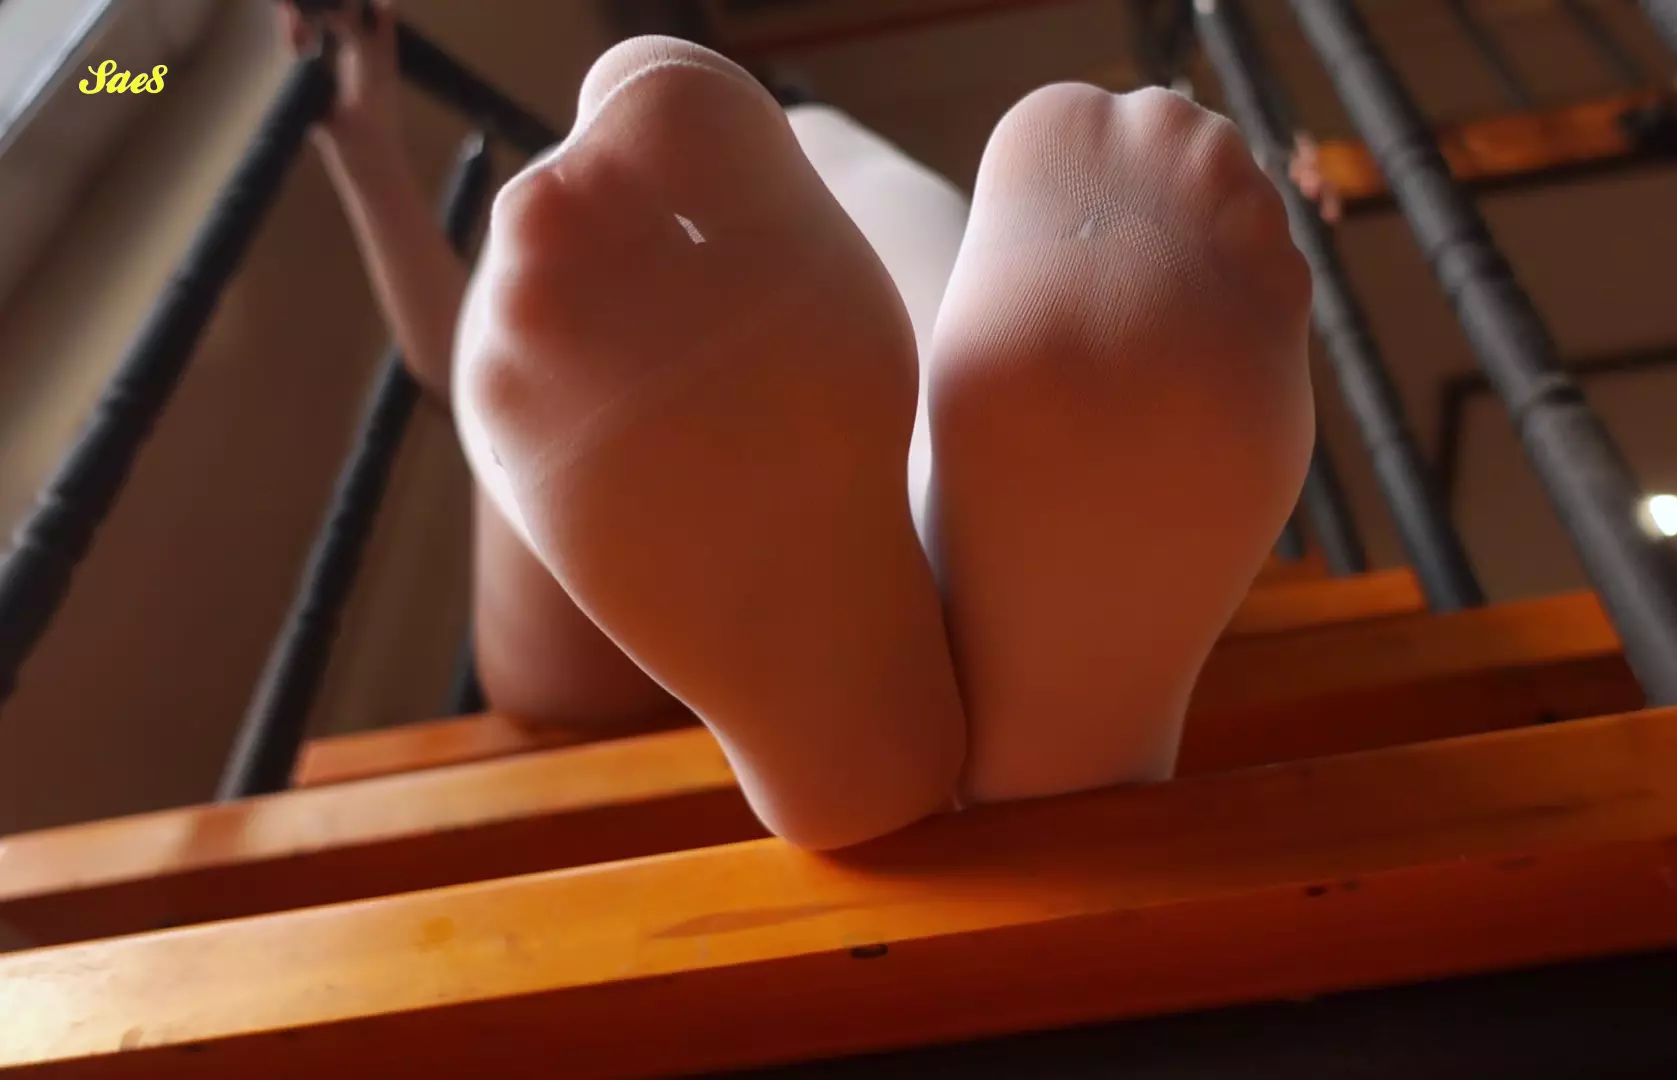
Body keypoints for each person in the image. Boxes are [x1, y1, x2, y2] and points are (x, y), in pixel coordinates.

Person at [285, 3, 1314, 850]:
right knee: (892, 239)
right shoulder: (808, 184)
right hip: (839, 256)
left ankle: (851, 714)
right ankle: (1016, 605)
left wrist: (368, 155)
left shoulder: (589, 245)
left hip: (577, 675)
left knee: (521, 332)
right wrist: (363, 142)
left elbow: (440, 361)